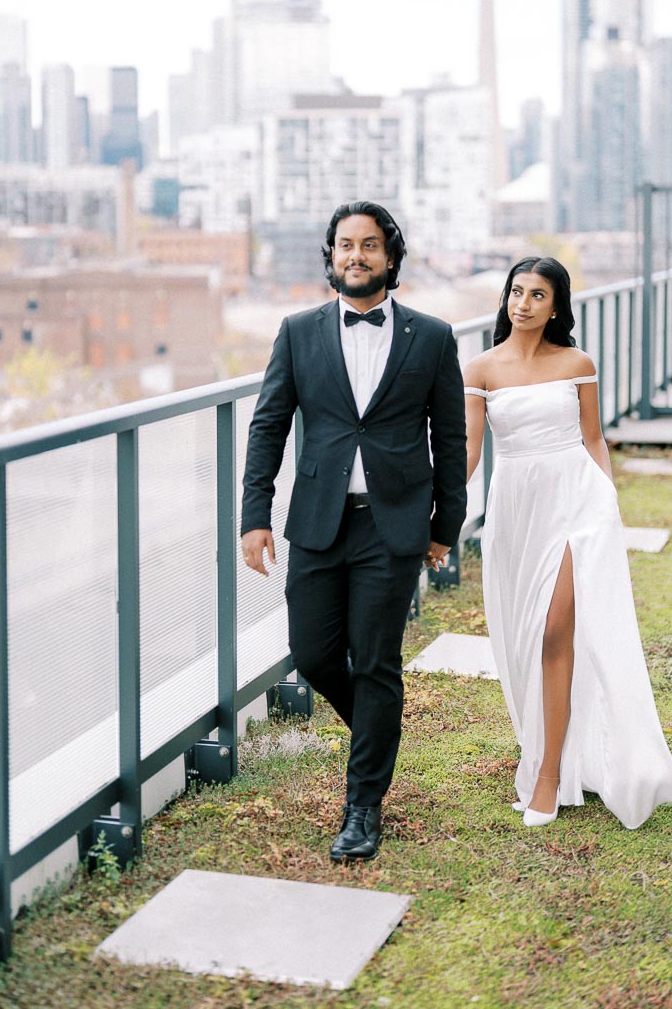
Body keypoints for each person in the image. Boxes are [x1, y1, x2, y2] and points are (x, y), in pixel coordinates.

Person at [241, 202, 467, 860]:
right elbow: (268, 426)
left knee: (375, 660)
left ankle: (361, 808)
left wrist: (444, 524)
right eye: (345, 245)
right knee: (313, 655)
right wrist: (255, 515)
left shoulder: (431, 337)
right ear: (331, 256)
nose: (356, 256)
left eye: (369, 246)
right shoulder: (297, 332)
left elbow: (449, 437)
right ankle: (380, 727)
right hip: (317, 522)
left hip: (392, 527)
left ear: (390, 258)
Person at [462, 257, 672, 829]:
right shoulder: (482, 369)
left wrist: (607, 508)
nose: (523, 303)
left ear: (556, 305)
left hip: (577, 503)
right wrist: (435, 514)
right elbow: (468, 455)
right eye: (516, 292)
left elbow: (593, 439)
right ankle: (544, 751)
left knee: (554, 628)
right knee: (523, 642)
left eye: (537, 294)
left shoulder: (577, 363)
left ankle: (547, 779)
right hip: (516, 510)